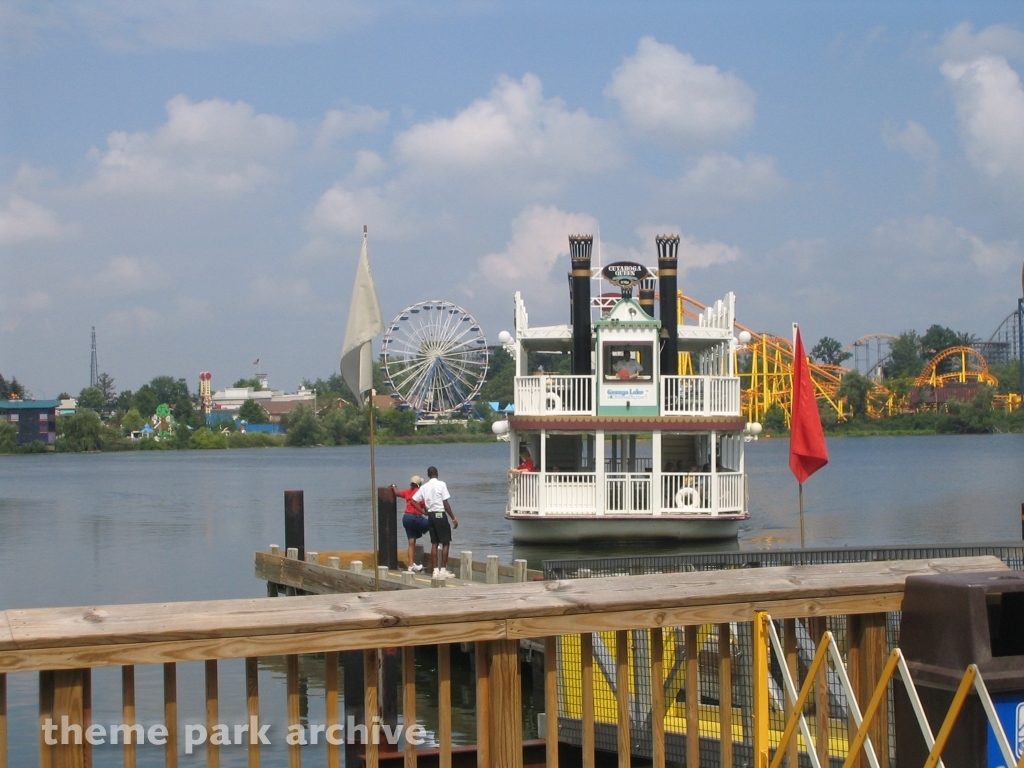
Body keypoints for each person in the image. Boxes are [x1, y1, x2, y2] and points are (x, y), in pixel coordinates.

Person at [412, 465, 459, 579]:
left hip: (431, 516)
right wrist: (453, 518)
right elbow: (445, 503)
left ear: (428, 475)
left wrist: (423, 511)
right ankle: (443, 570)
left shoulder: (424, 487)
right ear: (437, 473)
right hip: (440, 514)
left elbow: (413, 500)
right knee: (446, 542)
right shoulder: (441, 484)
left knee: (434, 543)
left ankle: (435, 571)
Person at [392, 476, 428, 573]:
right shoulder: (420, 492)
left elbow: (396, 493)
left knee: (411, 542)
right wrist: (427, 512)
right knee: (432, 524)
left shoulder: (407, 491)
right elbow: (424, 506)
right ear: (419, 484)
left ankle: (411, 565)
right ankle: (437, 545)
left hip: (406, 518)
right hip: (415, 517)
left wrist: (394, 486)